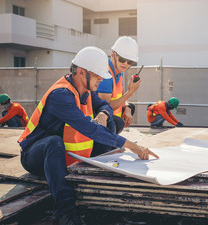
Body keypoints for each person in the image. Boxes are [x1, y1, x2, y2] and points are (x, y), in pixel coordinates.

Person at [18, 46, 159, 225]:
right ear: (83, 72)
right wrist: (133, 146)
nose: (101, 79)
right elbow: (89, 129)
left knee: (111, 123)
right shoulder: (61, 95)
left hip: (64, 154)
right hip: (35, 156)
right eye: (98, 75)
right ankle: (67, 214)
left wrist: (103, 115)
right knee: (54, 143)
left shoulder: (86, 92)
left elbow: (106, 106)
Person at [97, 36, 140, 135]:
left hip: (110, 114)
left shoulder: (118, 71)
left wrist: (128, 107)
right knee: (117, 122)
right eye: (122, 59)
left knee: (130, 106)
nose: (125, 64)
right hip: (98, 118)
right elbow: (105, 108)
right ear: (113, 55)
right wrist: (130, 92)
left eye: (130, 62)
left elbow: (121, 96)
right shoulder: (106, 73)